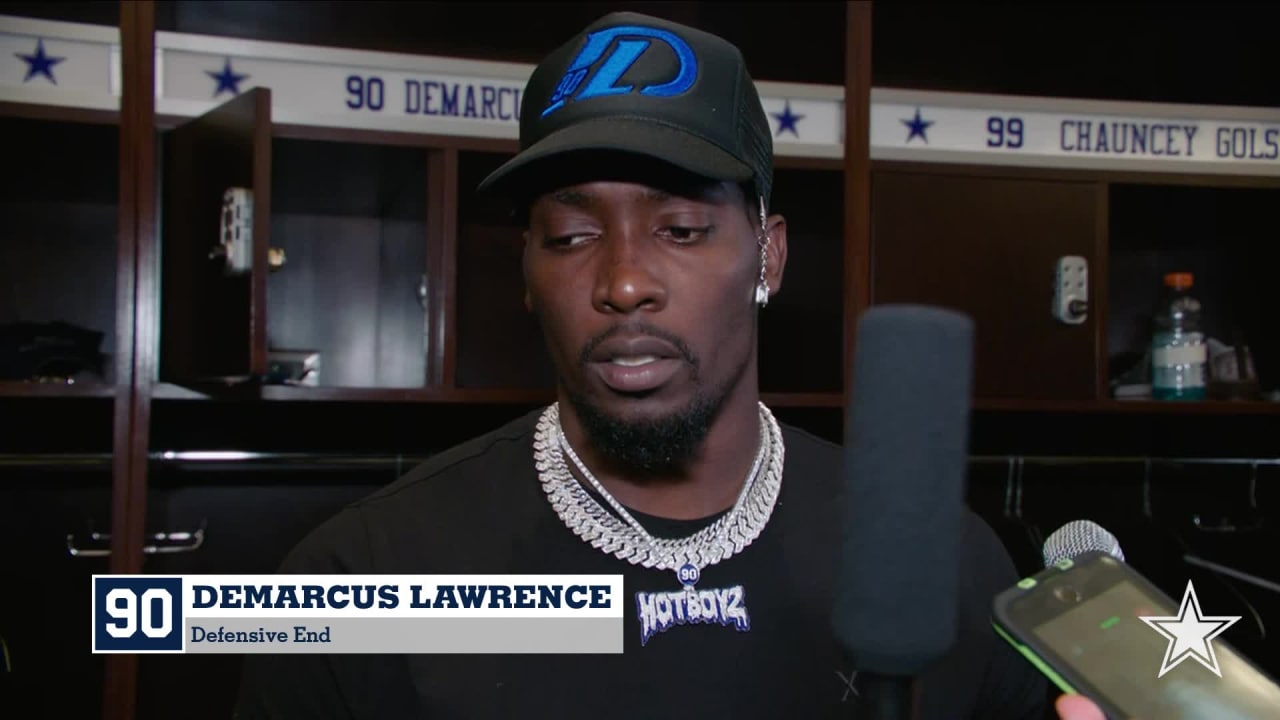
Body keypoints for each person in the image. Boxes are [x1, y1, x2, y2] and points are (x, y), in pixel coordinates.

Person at [235, 10, 1096, 719]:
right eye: (571, 237)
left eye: (681, 230)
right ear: (527, 276)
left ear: (768, 256)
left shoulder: (943, 559)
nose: (624, 281)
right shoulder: (361, 579)